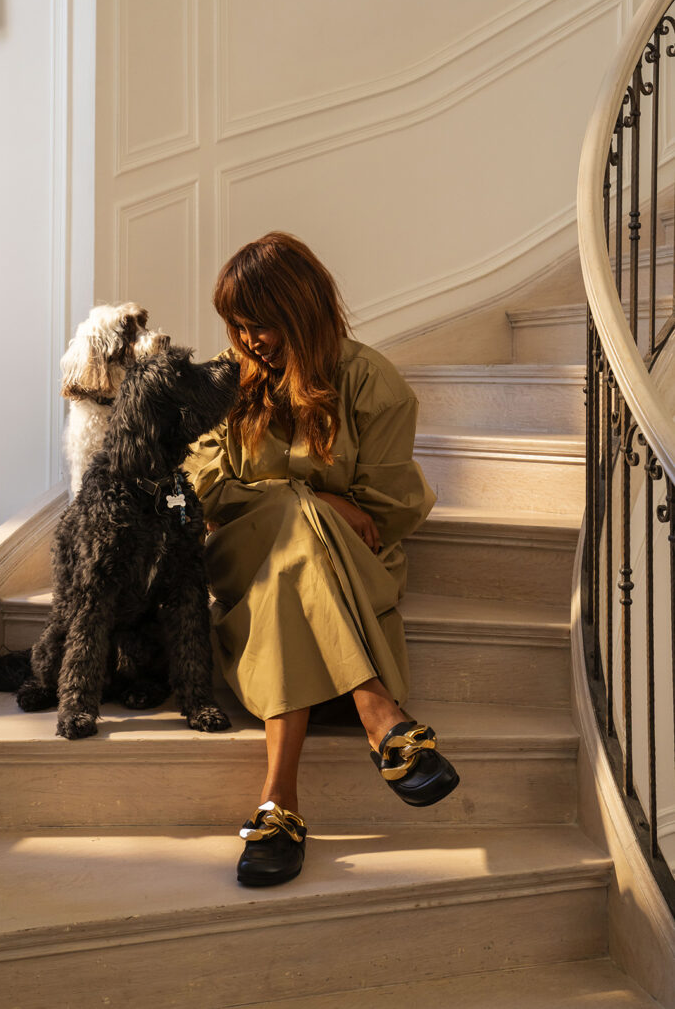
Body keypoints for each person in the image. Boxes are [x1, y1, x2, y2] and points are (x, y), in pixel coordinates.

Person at [185, 232, 458, 888]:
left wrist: (305, 508)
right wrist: (320, 501)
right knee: (290, 523)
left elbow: (385, 514)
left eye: (262, 324)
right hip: (242, 566)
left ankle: (279, 803)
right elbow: (208, 487)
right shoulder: (227, 385)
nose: (249, 340)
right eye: (238, 325)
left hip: (348, 576)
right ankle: (379, 712)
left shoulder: (371, 383)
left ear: (302, 309)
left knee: (292, 553)